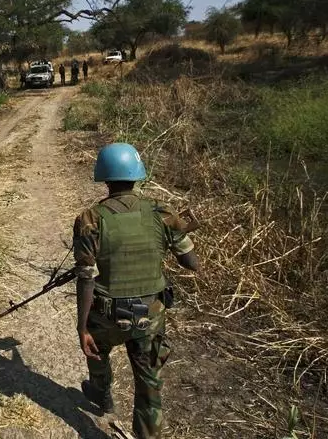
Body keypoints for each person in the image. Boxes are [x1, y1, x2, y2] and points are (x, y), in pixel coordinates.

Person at [72, 144, 199, 439]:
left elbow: (86, 278)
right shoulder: (163, 214)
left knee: (97, 350)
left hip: (106, 317)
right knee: (148, 385)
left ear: (104, 178)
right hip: (149, 318)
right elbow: (192, 264)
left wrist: (81, 328)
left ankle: (102, 396)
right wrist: (173, 238)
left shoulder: (89, 219)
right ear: (137, 175)